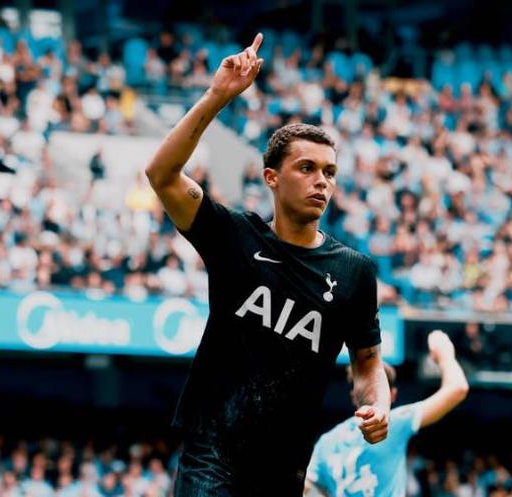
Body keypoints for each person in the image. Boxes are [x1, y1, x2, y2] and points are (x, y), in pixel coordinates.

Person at [145, 33, 391, 497]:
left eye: (330, 172)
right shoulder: (234, 236)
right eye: (307, 168)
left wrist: (378, 404)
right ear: (271, 177)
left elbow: (367, 362)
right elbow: (161, 175)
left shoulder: (355, 271)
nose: (322, 181)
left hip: (284, 467)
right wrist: (218, 96)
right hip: (212, 451)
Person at [306, 330, 469, 497]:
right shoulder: (396, 422)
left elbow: (307, 487)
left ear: (354, 394)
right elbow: (458, 388)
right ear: (392, 395)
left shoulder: (326, 442)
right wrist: (444, 354)